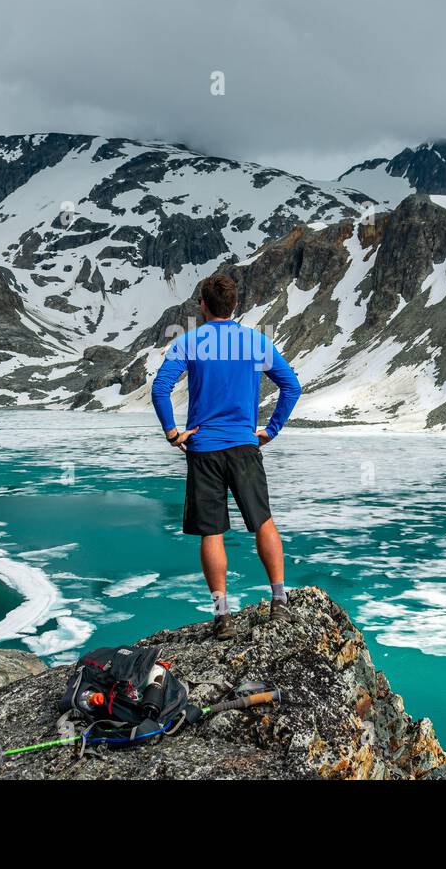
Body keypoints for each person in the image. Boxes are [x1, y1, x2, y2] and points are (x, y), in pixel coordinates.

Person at [151, 273, 302, 640]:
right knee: (263, 521)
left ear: (202, 305)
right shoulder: (254, 341)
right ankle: (279, 601)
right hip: (244, 444)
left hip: (203, 449)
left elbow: (160, 388)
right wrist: (271, 429)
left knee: (212, 531)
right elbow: (291, 386)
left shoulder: (189, 342)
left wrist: (173, 432)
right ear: (234, 306)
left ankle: (222, 616)